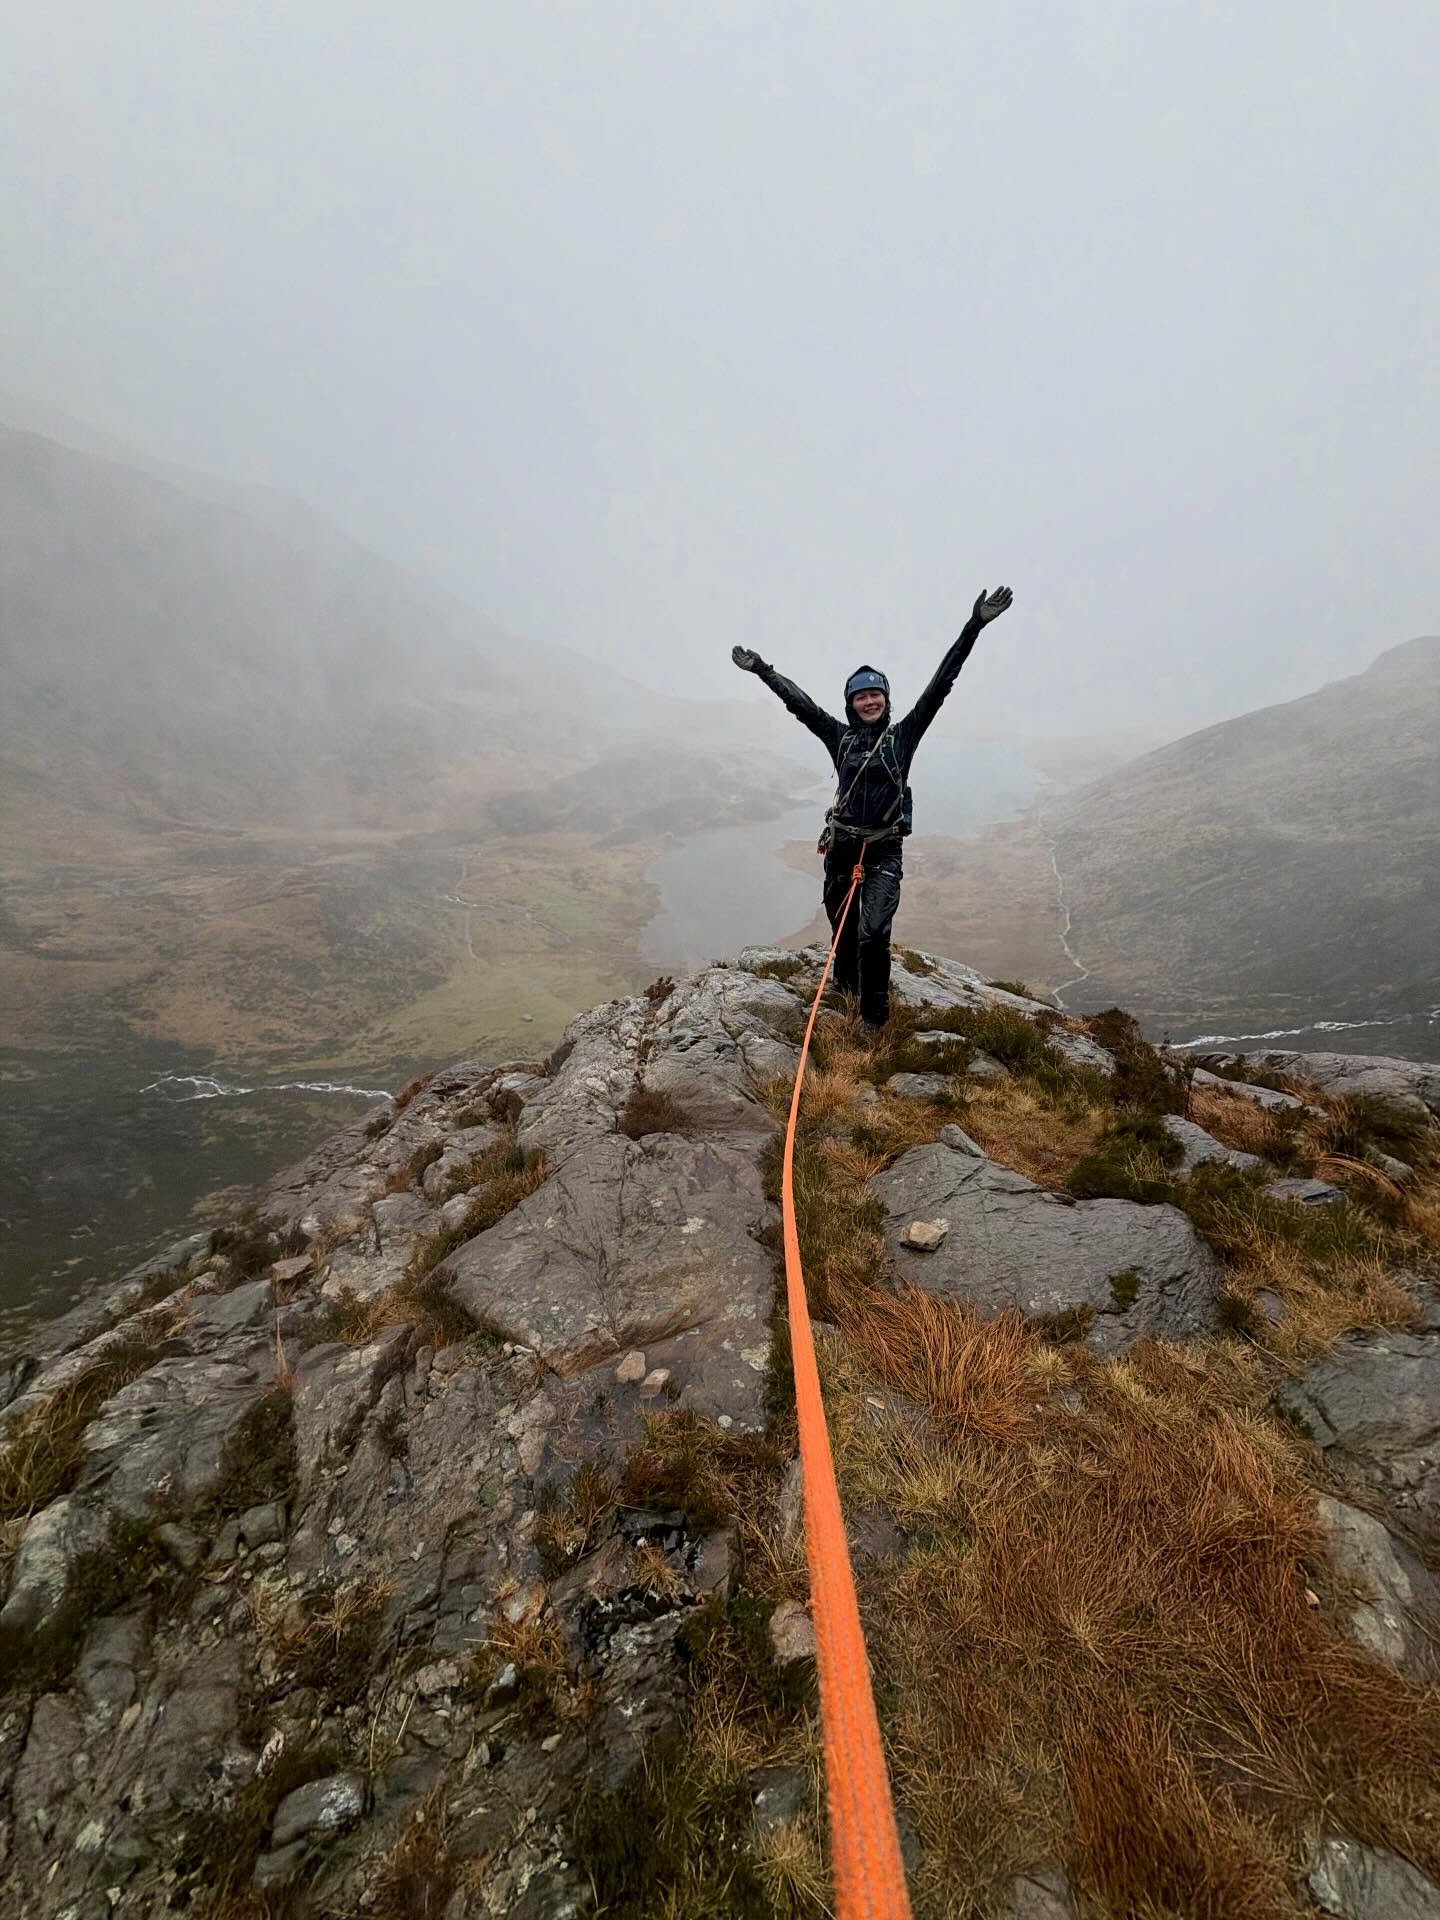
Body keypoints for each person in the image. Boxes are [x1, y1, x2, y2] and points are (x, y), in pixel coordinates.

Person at [732, 586, 1014, 1029]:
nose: (869, 701)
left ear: (885, 698)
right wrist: (763, 671)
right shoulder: (838, 737)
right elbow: (799, 704)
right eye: (860, 697)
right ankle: (844, 989)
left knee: (874, 934)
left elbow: (941, 684)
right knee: (842, 931)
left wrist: (974, 625)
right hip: (843, 845)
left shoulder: (904, 736)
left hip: (883, 851)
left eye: (875, 694)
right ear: (850, 704)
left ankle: (874, 1018)